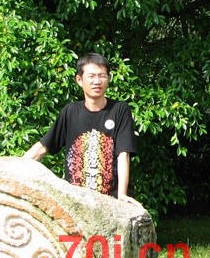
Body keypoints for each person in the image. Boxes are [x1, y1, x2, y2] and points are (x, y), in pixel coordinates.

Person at [24, 52, 140, 205]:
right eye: (91, 76)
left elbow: (123, 153)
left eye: (102, 76)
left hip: (111, 200)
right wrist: (16, 168)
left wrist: (122, 195)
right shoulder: (70, 112)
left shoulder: (119, 110)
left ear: (108, 79)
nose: (97, 81)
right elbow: (44, 146)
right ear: (79, 80)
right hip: (77, 201)